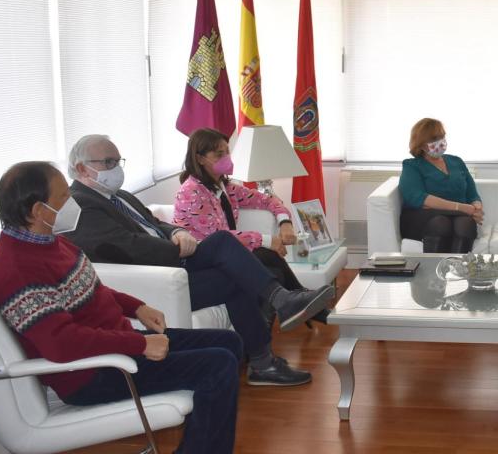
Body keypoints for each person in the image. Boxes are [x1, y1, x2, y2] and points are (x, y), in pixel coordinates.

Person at [0, 161, 242, 454]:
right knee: (218, 365)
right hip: (93, 373)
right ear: (38, 211)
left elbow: (92, 289)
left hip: (116, 348)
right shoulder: (16, 270)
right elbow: (61, 344)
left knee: (230, 343)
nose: (71, 201)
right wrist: (139, 344)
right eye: (63, 198)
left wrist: (137, 307)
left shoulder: (49, 242)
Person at [62, 134, 334, 387]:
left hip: (173, 262)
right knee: (229, 252)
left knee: (229, 254)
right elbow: (125, 247)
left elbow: (155, 223)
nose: (116, 168)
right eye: (108, 162)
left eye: (117, 161)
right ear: (82, 169)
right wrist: (174, 248)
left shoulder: (118, 195)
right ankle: (275, 324)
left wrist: (177, 232)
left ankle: (270, 340)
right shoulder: (82, 205)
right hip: (158, 276)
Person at [173, 128, 327, 325]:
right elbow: (220, 238)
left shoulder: (224, 187)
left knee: (275, 271)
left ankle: (295, 308)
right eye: (219, 154)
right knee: (268, 254)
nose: (226, 158)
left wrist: (285, 223)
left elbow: (268, 200)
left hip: (228, 256)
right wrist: (268, 240)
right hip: (201, 260)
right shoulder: (192, 193)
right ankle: (306, 303)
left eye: (227, 152)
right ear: (200, 159)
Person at [399, 118, 483, 253]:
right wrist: (460, 207)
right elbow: (417, 198)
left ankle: (457, 272)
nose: (439, 142)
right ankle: (434, 272)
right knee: (441, 223)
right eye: (433, 140)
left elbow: (472, 194)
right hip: (424, 217)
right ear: (420, 144)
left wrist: (477, 208)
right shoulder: (412, 165)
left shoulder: (457, 161)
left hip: (459, 216)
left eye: (442, 137)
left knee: (465, 224)